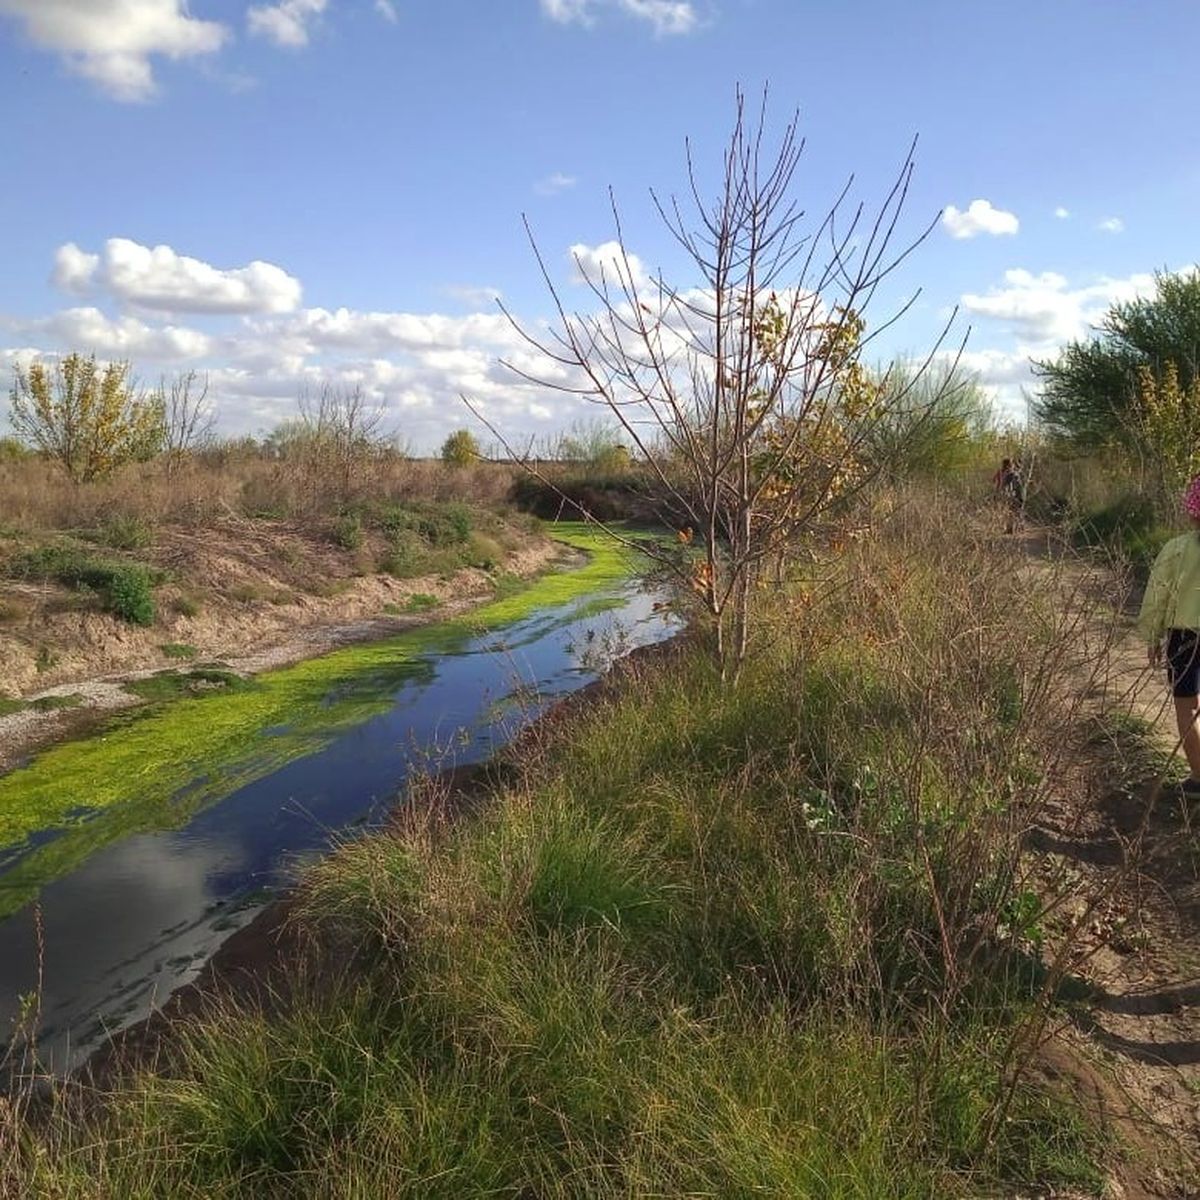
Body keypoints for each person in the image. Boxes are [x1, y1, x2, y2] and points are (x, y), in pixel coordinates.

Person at [1138, 472, 1200, 798]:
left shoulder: (1176, 550)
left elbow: (1157, 596)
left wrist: (1152, 636)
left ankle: (1198, 778)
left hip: (1184, 638)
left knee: (1186, 707)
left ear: (1192, 510)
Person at [992, 457, 1024, 533]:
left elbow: (999, 483)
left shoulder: (1005, 473)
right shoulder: (1015, 473)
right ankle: (1018, 527)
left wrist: (998, 492)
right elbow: (1019, 485)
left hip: (1011, 495)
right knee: (1017, 511)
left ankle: (1012, 528)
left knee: (1011, 511)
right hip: (1017, 495)